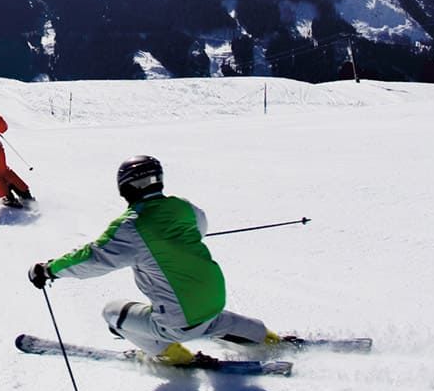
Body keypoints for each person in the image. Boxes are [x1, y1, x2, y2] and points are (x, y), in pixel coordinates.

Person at [27, 155, 279, 365]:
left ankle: (172, 356)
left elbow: (93, 258)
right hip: (214, 300)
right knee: (210, 318)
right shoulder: (183, 207)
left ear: (124, 187)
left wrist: (49, 270)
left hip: (178, 320)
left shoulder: (129, 227)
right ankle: (265, 338)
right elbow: (200, 227)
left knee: (112, 312)